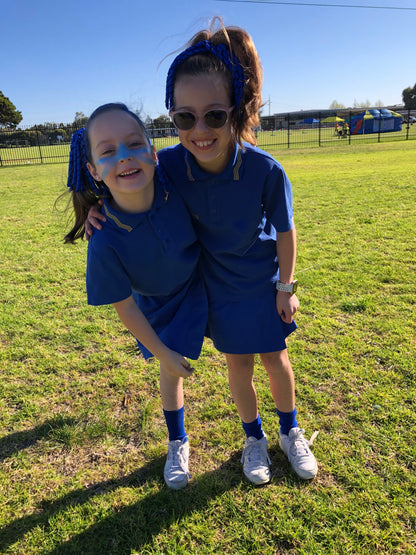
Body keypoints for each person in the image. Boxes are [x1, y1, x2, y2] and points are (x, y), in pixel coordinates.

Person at [87, 20, 318, 484]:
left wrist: (286, 287)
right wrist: (96, 208)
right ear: (172, 118)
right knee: (239, 365)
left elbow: (287, 231)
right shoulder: (167, 163)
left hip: (259, 283)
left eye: (214, 115)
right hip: (212, 288)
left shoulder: (265, 170)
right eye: (183, 118)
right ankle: (253, 439)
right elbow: (124, 177)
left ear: (237, 108)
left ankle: (291, 431)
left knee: (276, 358)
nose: (199, 130)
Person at [65, 102, 208, 490]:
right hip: (159, 304)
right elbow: (124, 306)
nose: (125, 157)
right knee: (170, 369)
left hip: (206, 280)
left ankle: (258, 430)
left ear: (153, 152)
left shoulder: (174, 177)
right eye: (108, 152)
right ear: (93, 170)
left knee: (245, 348)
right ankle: (177, 440)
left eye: (133, 144)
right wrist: (162, 351)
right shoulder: (104, 239)